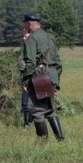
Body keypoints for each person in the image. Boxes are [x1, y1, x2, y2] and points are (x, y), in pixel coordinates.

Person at [17, 12, 64, 141]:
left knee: (36, 110)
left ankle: (42, 141)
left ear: (29, 23)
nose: (25, 26)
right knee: (49, 109)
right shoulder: (51, 38)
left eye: (25, 24)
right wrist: (56, 80)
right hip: (52, 76)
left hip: (39, 78)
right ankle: (60, 139)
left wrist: (26, 82)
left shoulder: (32, 39)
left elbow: (30, 63)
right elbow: (59, 63)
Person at [20, 27, 32, 127]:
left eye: (26, 36)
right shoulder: (23, 50)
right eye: (23, 37)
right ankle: (27, 124)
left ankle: (31, 123)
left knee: (31, 104)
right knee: (25, 104)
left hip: (33, 80)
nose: (24, 38)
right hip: (25, 80)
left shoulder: (34, 50)